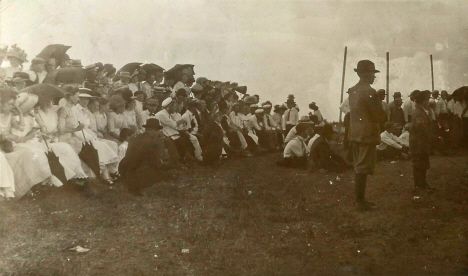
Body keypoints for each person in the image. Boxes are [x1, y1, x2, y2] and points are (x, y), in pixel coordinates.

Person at [57, 88, 120, 184]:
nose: (86, 101)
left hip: (86, 135)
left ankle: (109, 172)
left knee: (105, 144)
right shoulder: (74, 110)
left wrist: (92, 136)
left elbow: (88, 127)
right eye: (83, 99)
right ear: (79, 99)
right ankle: (106, 175)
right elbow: (76, 128)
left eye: (87, 99)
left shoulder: (86, 111)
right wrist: (87, 137)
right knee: (99, 146)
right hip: (77, 136)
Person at [348, 60, 387, 211]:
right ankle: (359, 201)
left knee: (359, 166)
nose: (373, 77)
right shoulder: (370, 91)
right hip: (367, 134)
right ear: (364, 74)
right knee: (363, 168)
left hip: (355, 133)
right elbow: (379, 116)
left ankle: (360, 200)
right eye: (372, 73)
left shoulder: (352, 90)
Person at [118, 119, 174, 195]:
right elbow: (155, 163)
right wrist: (169, 166)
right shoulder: (154, 143)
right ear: (153, 131)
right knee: (163, 175)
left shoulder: (134, 137)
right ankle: (135, 186)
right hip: (137, 172)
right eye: (158, 131)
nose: (158, 133)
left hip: (123, 169)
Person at [155, 97, 194, 162]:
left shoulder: (167, 114)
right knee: (181, 140)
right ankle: (181, 160)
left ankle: (186, 157)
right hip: (164, 133)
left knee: (185, 137)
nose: (175, 108)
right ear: (169, 107)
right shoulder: (162, 114)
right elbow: (174, 124)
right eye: (174, 106)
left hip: (169, 132)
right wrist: (183, 120)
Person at [410, 90, 435, 194]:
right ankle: (418, 186)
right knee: (419, 165)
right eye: (427, 99)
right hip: (419, 143)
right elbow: (421, 127)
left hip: (421, 143)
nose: (428, 101)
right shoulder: (419, 112)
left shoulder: (421, 111)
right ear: (423, 101)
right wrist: (432, 136)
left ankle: (422, 184)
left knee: (422, 164)